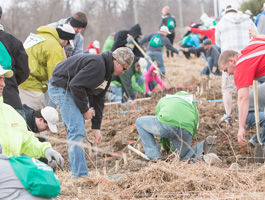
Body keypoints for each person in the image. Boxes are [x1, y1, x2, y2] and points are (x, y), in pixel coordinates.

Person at [48, 47, 134, 178]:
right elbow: (75, 85)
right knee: (77, 129)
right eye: (124, 68)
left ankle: (78, 172)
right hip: (60, 87)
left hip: (70, 89)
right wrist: (85, 110)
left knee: (76, 128)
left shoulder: (106, 74)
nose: (123, 72)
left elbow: (98, 99)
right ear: (118, 62)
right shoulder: (97, 65)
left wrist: (96, 128)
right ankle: (80, 176)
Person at [0, 66, 63, 167]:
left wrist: (45, 150)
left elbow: (27, 141)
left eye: (3, 79)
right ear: (41, 119)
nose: (3, 83)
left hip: (11, 175)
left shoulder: (10, 112)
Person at [135, 91, 217, 161]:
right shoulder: (191, 103)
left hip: (166, 125)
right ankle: (204, 146)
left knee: (139, 122)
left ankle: (154, 157)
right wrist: (186, 141)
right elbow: (194, 126)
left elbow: (160, 119)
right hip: (185, 130)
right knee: (182, 158)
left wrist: (165, 147)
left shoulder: (165, 99)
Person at [218, 37, 265, 145]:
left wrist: (241, 128)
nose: (228, 74)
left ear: (231, 61)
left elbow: (243, 98)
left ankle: (261, 141)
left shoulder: (240, 66)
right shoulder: (252, 43)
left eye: (226, 70)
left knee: (244, 112)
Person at [18, 24, 75, 110]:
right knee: (37, 118)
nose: (65, 46)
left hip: (18, 82)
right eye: (67, 43)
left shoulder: (36, 37)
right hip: (32, 87)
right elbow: (56, 75)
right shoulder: (55, 46)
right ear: (65, 39)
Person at [215, 4, 256, 124]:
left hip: (228, 60)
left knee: (227, 89)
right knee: (248, 89)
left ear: (226, 12)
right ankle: (249, 114)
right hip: (247, 58)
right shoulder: (247, 20)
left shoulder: (221, 22)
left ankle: (228, 115)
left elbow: (217, 42)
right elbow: (255, 34)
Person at [0, 5, 30, 119]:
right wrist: (9, 82)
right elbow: (24, 71)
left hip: (9, 100)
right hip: (11, 100)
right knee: (19, 136)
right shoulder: (13, 41)